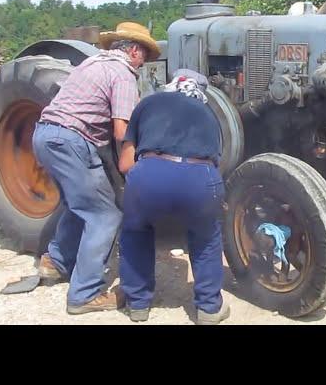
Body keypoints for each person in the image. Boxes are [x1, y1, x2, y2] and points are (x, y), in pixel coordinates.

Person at [32, 22, 160, 315]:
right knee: (104, 215)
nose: (145, 63)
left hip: (45, 135)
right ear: (134, 50)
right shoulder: (123, 73)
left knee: (79, 205)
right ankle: (84, 294)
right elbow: (120, 131)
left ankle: (55, 262)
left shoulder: (92, 62)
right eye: (145, 55)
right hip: (71, 142)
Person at [118, 69, 230, 324]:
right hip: (200, 178)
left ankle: (138, 304)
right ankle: (209, 309)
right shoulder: (209, 114)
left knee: (135, 230)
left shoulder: (147, 104)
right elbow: (215, 163)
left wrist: (147, 182)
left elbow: (125, 164)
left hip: (151, 172)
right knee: (206, 236)